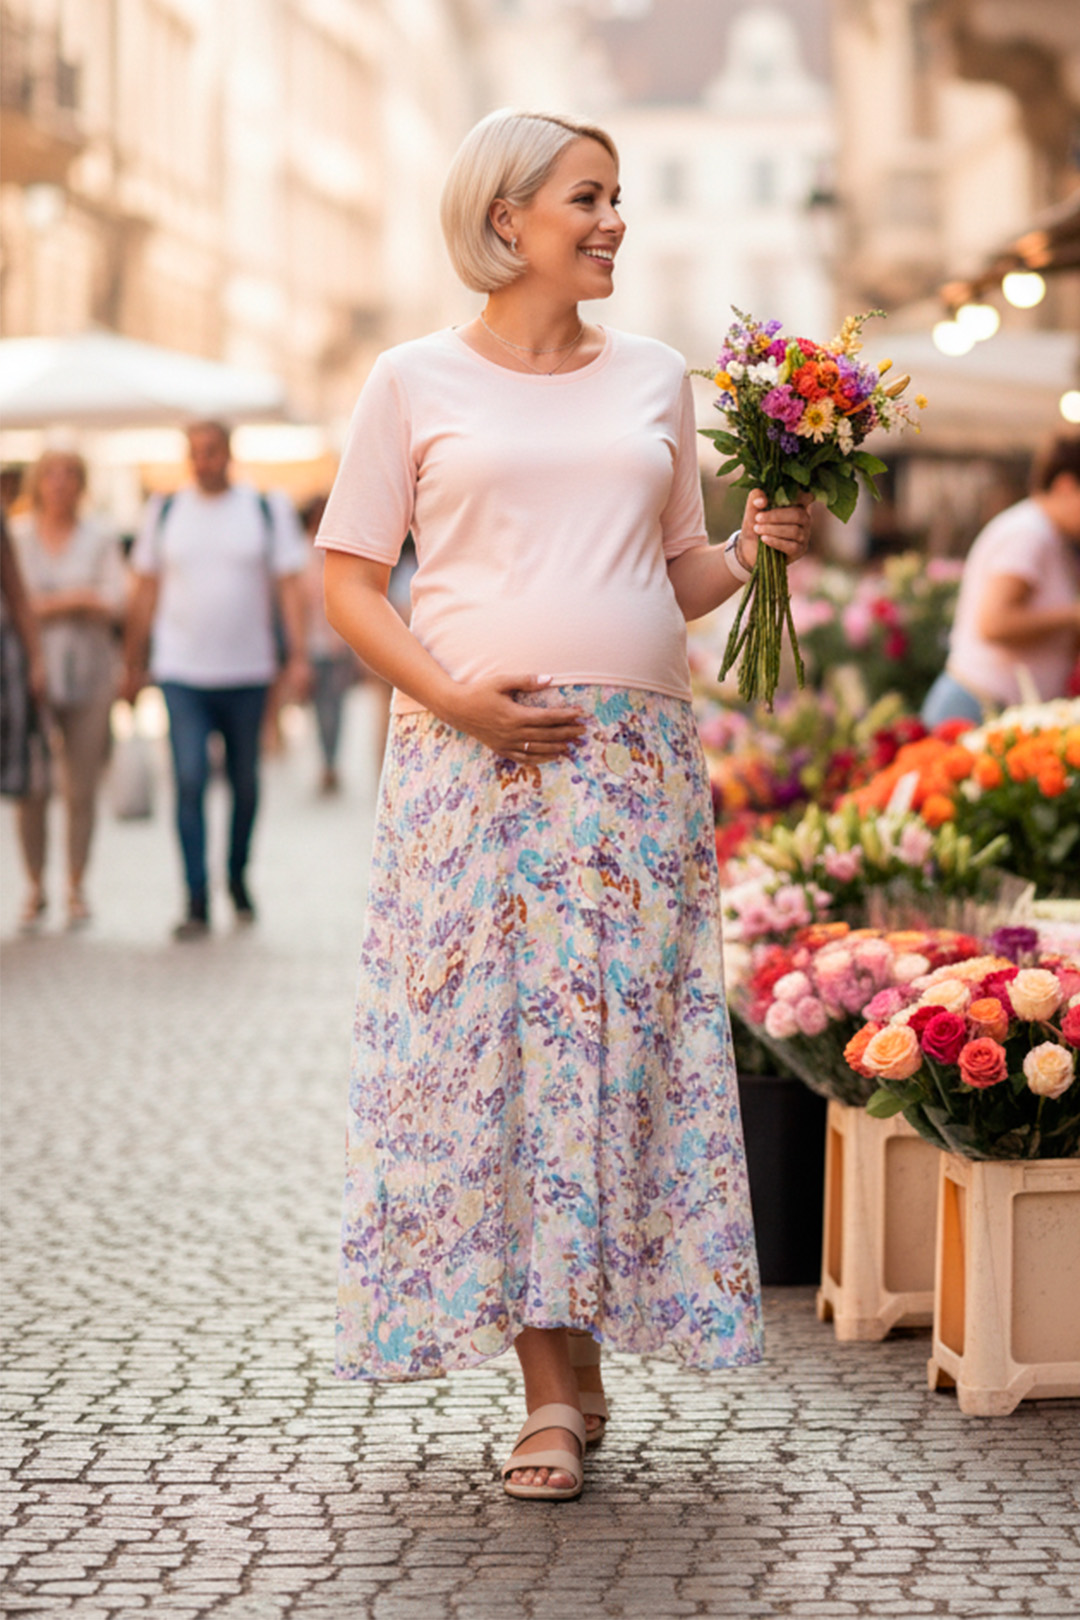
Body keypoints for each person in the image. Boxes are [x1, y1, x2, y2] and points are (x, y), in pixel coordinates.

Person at [318, 111, 813, 1503]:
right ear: (506, 218)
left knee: (619, 1055)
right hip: (473, 767)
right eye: (587, 198)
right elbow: (350, 579)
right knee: (502, 1059)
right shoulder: (410, 380)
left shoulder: (655, 375)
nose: (613, 221)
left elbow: (673, 568)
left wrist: (751, 549)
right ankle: (548, 1389)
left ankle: (577, 1358)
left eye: (618, 197)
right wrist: (456, 697)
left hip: (638, 767)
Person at [123, 422, 311, 939]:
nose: (204, 461)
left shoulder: (264, 509)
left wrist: (298, 654)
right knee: (188, 779)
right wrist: (132, 661)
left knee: (245, 783)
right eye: (196, 452)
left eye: (212, 451)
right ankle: (196, 897)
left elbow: (289, 586)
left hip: (249, 670)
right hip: (181, 671)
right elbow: (145, 587)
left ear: (228, 454)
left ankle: (236, 876)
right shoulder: (165, 511)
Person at [10, 452, 126, 928]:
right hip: (30, 678)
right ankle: (35, 884)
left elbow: (115, 601)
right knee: (32, 787)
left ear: (81, 483)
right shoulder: (17, 536)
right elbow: (13, 604)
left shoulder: (100, 536)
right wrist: (77, 599)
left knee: (81, 788)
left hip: (91, 675)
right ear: (38, 483)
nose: (59, 485)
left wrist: (42, 604)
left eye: (69, 475)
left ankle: (75, 883)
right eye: (51, 476)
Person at [922, 435, 1080, 726]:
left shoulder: (1051, 536)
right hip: (976, 707)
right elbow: (995, 623)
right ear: (1065, 486)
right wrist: (1072, 616)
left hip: (993, 709)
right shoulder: (1029, 533)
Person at [299, 495, 363, 794]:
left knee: (336, 708)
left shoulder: (340, 552)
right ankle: (325, 762)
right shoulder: (301, 555)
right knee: (319, 709)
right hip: (313, 646)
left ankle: (332, 763)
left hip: (338, 647)